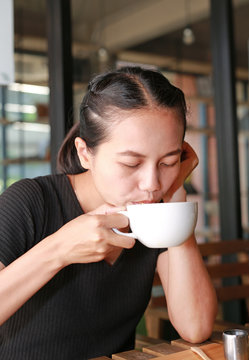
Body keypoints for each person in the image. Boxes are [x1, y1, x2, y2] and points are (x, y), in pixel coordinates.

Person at [0, 66, 217, 359]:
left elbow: (196, 327)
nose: (151, 184)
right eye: (131, 164)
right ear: (85, 153)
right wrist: (60, 249)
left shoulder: (157, 213)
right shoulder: (31, 201)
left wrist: (175, 199)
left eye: (168, 162)